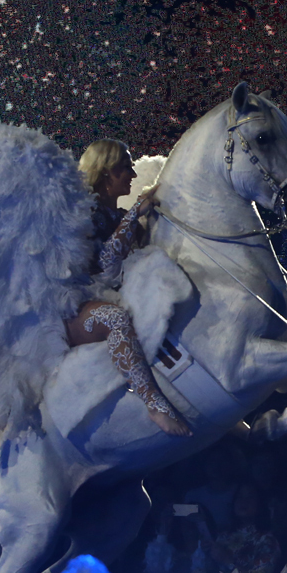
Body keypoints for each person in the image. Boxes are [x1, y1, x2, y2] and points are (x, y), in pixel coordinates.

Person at [67, 139, 189, 435]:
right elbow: (106, 263)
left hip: (114, 293)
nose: (133, 175)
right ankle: (153, 405)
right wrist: (136, 212)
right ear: (106, 172)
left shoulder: (120, 217)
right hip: (75, 306)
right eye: (126, 168)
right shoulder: (80, 213)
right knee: (115, 318)